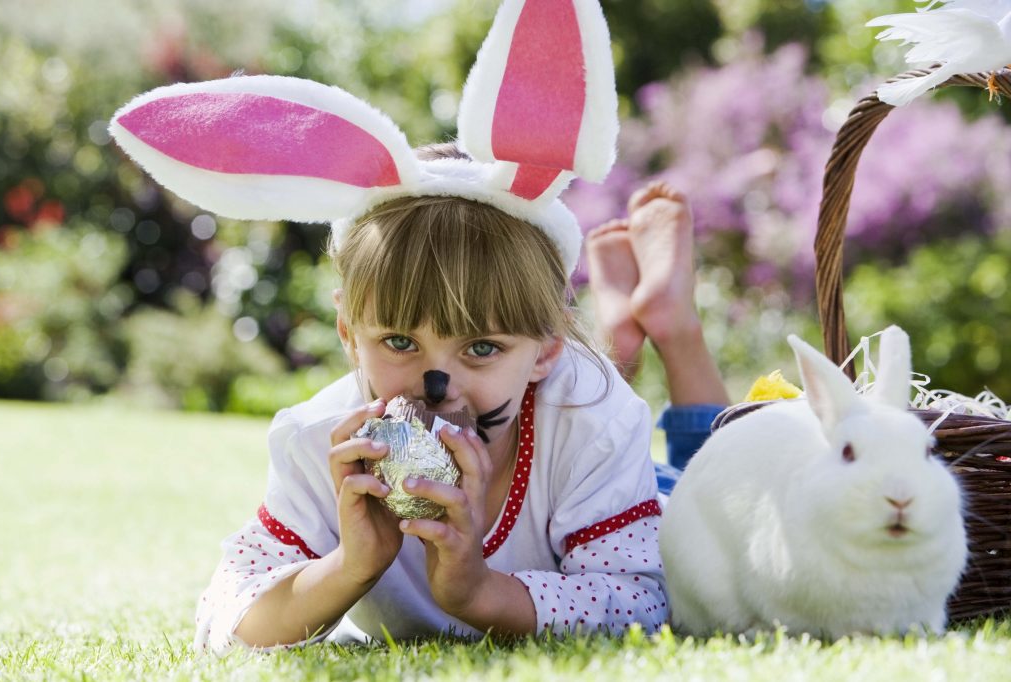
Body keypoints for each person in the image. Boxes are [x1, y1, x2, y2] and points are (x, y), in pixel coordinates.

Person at [108, 0, 671, 654]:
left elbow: (644, 601)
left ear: (545, 350)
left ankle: (662, 328)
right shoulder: (321, 440)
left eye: (481, 347)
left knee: (701, 488)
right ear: (349, 330)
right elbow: (227, 619)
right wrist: (349, 563)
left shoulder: (592, 424)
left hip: (642, 490)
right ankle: (614, 333)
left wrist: (479, 591)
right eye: (400, 342)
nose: (438, 383)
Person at [585, 181, 729, 484]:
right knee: (718, 479)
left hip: (603, 513)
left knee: (578, 465)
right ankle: (679, 331)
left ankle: (611, 357)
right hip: (692, 508)